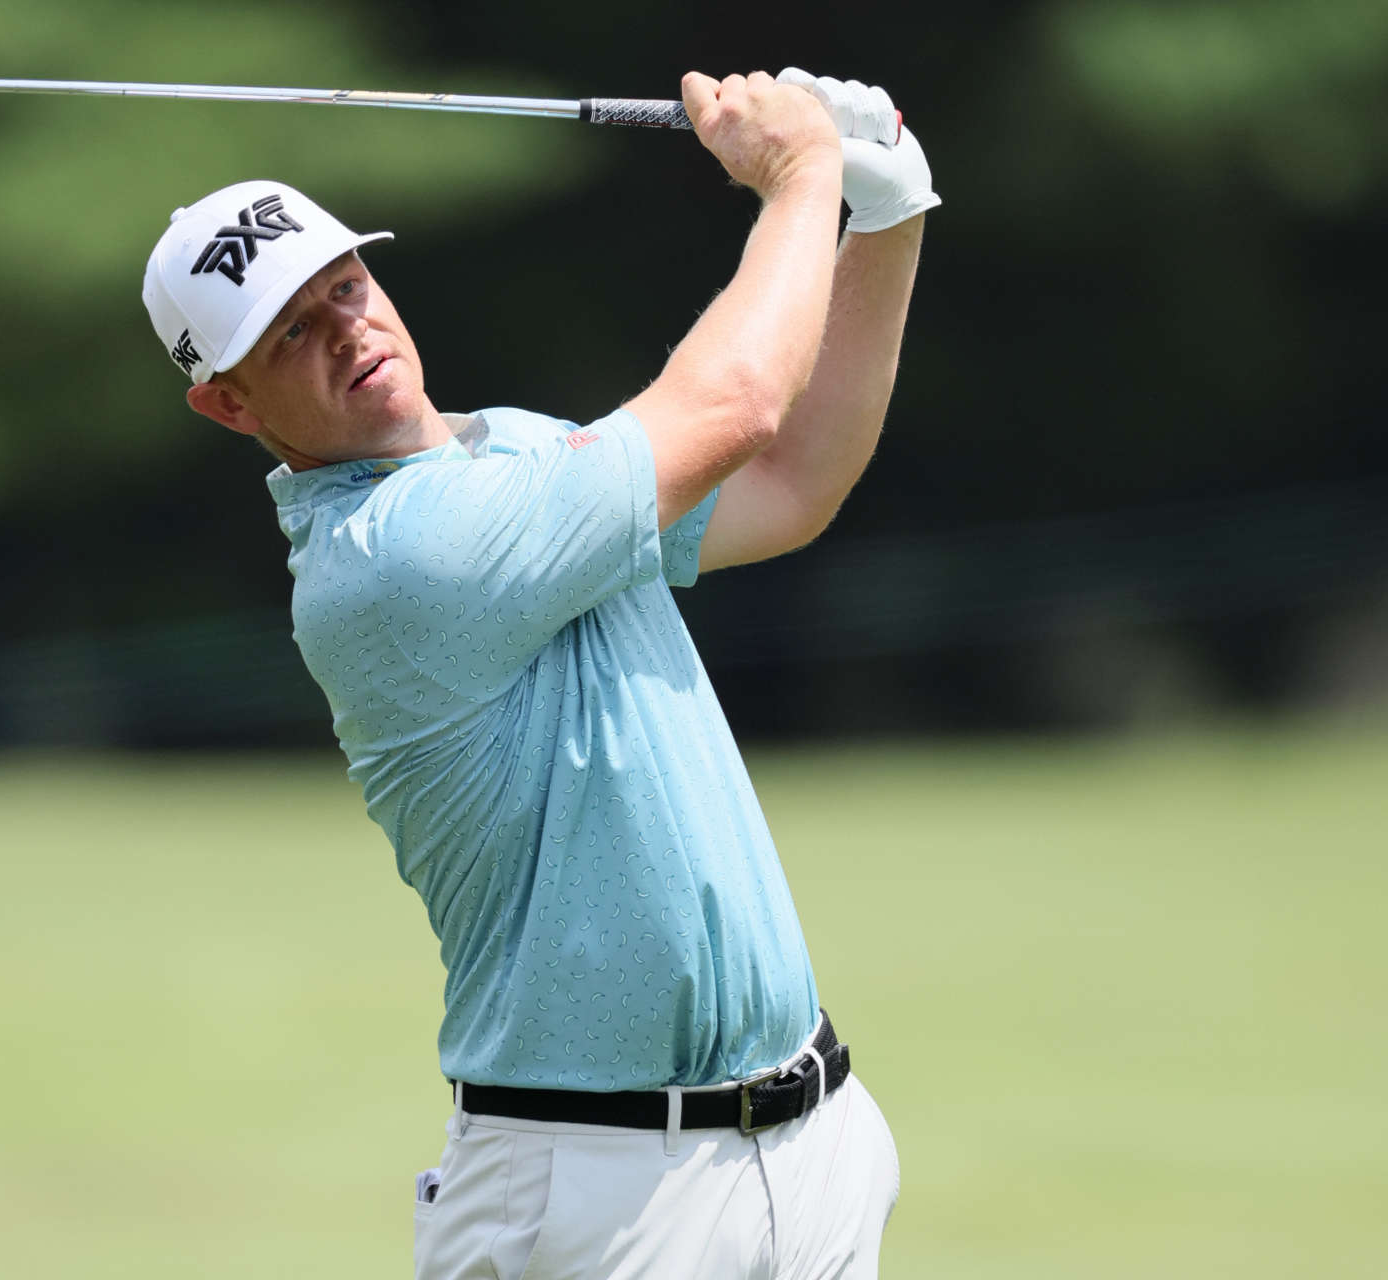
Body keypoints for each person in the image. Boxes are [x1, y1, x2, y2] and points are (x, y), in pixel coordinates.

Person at [142, 67, 938, 1280]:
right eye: (290, 331)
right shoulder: (393, 560)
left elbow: (791, 485)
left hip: (810, 1140)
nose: (347, 328)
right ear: (226, 402)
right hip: (600, 1194)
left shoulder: (508, 450)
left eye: (345, 285)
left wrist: (884, 213)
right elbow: (734, 404)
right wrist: (800, 177)